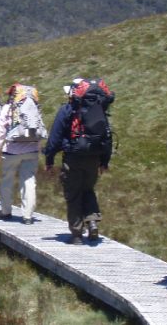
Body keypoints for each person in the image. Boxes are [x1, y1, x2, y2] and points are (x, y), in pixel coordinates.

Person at [44, 78, 115, 244]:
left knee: (73, 194)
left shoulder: (67, 109)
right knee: (88, 189)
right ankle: (92, 221)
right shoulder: (100, 109)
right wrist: (104, 161)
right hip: (94, 157)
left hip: (73, 157)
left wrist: (49, 159)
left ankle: (76, 234)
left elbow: (55, 137)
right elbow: (107, 136)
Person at [0, 83, 46, 225]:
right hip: (32, 151)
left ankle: (5, 211)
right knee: (29, 182)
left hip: (11, 151)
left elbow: (0, 131)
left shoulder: (8, 108)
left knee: (7, 181)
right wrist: (38, 147)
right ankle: (28, 216)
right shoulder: (35, 108)